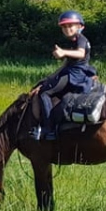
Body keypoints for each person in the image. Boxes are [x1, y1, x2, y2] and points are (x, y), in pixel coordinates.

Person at [34, 10, 96, 139]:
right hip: (71, 71)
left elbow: (80, 53)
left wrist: (63, 52)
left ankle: (49, 129)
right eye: (64, 26)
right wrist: (50, 77)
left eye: (71, 26)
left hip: (75, 74)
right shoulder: (73, 41)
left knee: (44, 93)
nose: (67, 29)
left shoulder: (81, 39)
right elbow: (66, 64)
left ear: (80, 26)